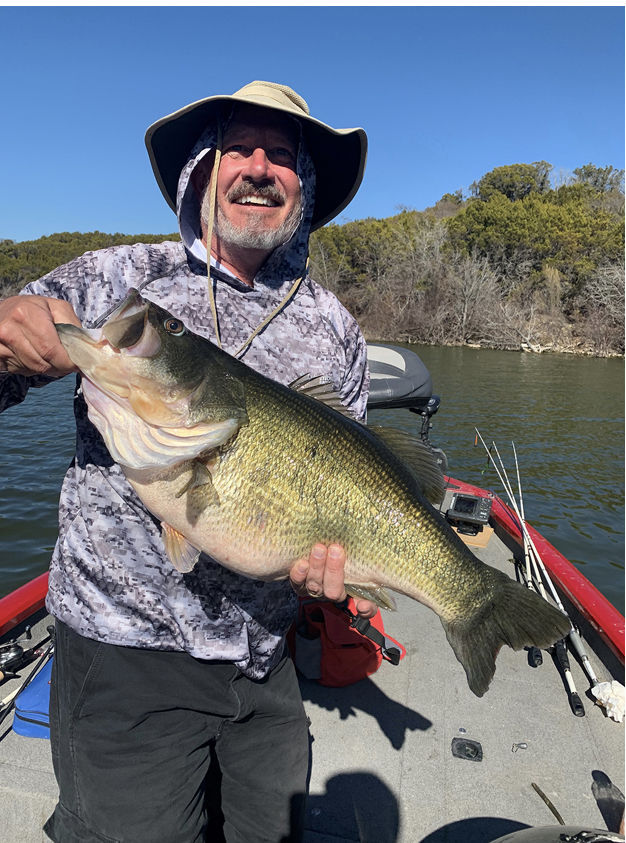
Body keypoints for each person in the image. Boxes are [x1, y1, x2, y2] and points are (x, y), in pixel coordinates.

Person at [0, 81, 377, 842]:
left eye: (282, 153)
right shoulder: (120, 281)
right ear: (202, 170)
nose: (259, 167)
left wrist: (335, 576)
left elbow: (353, 483)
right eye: (239, 146)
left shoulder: (336, 327)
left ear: (303, 182)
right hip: (123, 657)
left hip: (268, 663)